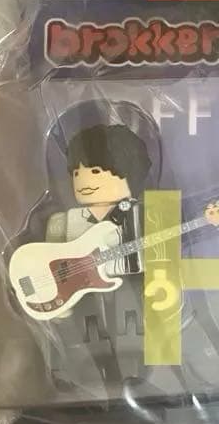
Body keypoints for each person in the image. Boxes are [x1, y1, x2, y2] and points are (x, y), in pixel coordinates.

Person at [43, 124, 178, 385]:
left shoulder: (142, 216)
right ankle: (82, 372)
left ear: (130, 173)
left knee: (132, 322)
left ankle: (132, 371)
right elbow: (46, 258)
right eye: (77, 172)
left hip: (131, 295)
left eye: (95, 171)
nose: (84, 180)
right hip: (80, 297)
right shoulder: (64, 222)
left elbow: (163, 259)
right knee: (85, 332)